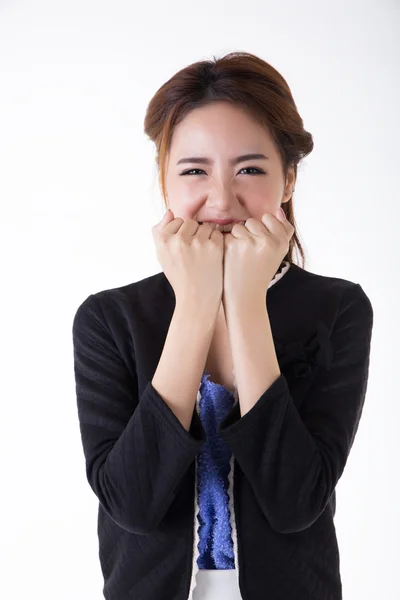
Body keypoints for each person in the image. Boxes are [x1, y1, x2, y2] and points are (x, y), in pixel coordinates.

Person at [72, 51, 374, 600]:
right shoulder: (108, 319)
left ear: (287, 180)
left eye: (250, 169)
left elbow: (295, 502)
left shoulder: (339, 309)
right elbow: (133, 505)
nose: (221, 199)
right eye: (194, 170)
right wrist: (194, 306)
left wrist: (246, 301)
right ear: (164, 182)